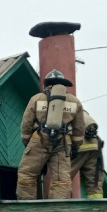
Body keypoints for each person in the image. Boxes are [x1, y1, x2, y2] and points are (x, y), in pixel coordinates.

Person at [17, 69, 86, 200]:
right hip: (63, 141)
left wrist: (28, 144)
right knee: (61, 180)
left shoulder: (36, 99)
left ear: (46, 84)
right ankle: (57, 210)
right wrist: (75, 147)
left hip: (39, 138)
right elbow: (79, 128)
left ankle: (27, 208)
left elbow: (26, 124)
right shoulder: (74, 101)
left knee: (27, 174)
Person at [71, 110, 105, 198]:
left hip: (78, 146)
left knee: (62, 179)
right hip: (94, 145)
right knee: (94, 183)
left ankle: (57, 207)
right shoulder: (79, 110)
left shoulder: (56, 109)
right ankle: (97, 207)